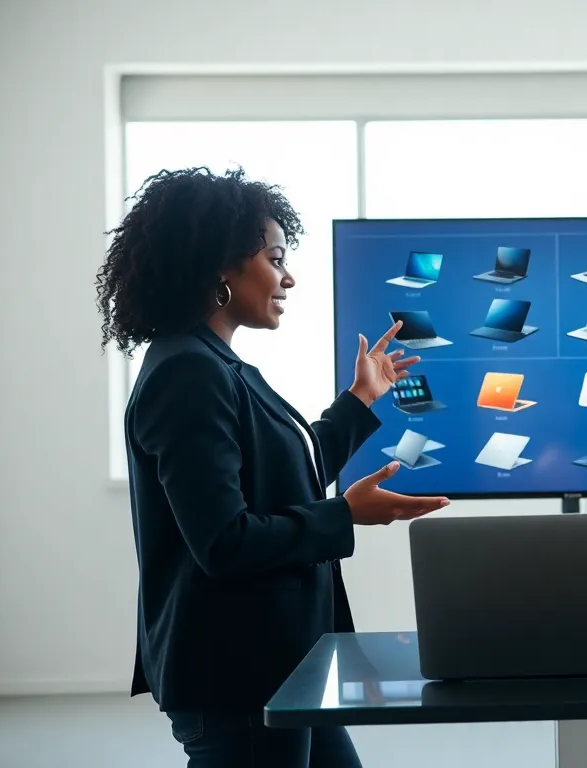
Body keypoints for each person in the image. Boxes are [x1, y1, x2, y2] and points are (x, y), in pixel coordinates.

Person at [95, 167, 449, 767]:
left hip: (280, 666)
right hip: (236, 678)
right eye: (275, 258)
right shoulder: (188, 374)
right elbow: (224, 542)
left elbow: (289, 473)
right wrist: (345, 515)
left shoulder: (214, 366)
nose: (288, 277)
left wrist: (360, 400)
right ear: (221, 267)